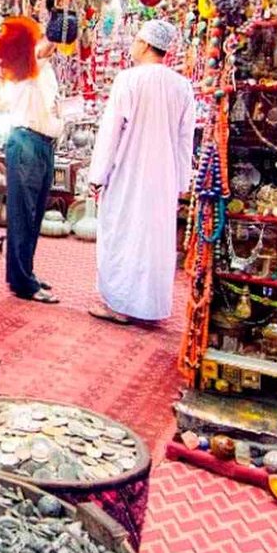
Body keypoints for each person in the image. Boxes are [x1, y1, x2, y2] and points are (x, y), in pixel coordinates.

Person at [87, 19, 196, 325]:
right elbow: (186, 139)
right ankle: (150, 307)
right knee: (153, 240)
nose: (132, 45)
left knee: (123, 233)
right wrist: (182, 182)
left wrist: (98, 175)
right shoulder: (181, 85)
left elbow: (111, 133)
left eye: (135, 40)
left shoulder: (129, 80)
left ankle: (120, 305)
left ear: (146, 45)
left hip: (129, 173)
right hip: (164, 178)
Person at [0, 16, 63, 304]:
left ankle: (24, 274)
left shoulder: (42, 70)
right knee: (23, 213)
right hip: (26, 142)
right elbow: (42, 51)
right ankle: (23, 282)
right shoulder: (27, 62)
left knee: (33, 214)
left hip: (42, 143)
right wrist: (57, 33)